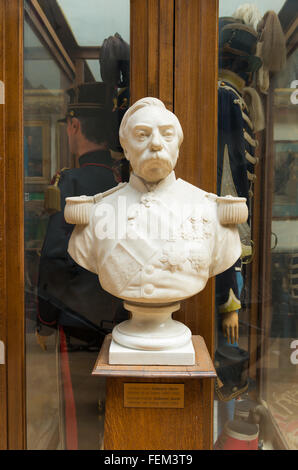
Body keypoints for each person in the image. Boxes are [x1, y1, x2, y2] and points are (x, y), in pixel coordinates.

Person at [65, 98, 247, 337]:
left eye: (167, 135)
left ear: (178, 147)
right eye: (142, 135)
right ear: (126, 149)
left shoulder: (210, 210)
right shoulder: (97, 212)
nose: (157, 144)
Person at [38, 82, 129, 348]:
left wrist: (46, 320)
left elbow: (55, 257)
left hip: (78, 317)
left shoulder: (70, 182)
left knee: (77, 389)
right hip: (122, 314)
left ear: (74, 125)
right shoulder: (123, 181)